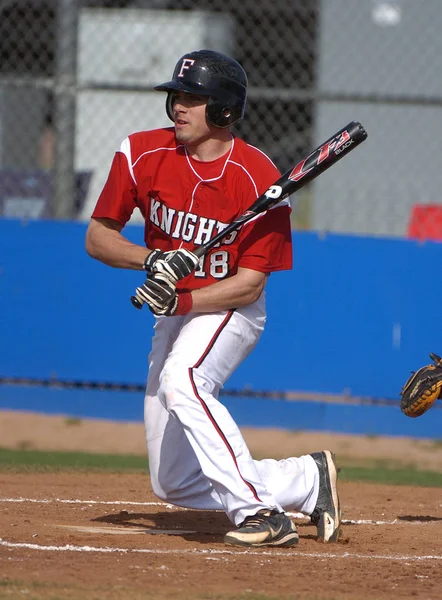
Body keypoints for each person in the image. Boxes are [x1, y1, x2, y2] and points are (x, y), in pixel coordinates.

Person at [85, 49, 341, 547]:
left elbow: (250, 284)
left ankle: (259, 514)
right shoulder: (140, 153)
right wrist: (152, 261)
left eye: (193, 99)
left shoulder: (257, 177)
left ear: (224, 110)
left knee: (184, 379)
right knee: (172, 481)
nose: (179, 107)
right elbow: (98, 237)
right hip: (176, 306)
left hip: (230, 308)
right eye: (177, 97)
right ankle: (304, 480)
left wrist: (183, 301)